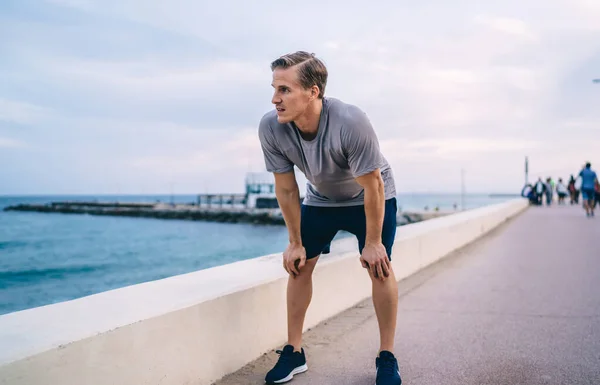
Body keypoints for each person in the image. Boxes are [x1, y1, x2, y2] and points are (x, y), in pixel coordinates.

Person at [258, 51, 402, 385]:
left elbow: (374, 185)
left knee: (380, 268)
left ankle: (387, 357)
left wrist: (373, 242)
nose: (274, 99)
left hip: (369, 194)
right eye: (274, 88)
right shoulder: (272, 126)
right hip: (321, 199)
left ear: (313, 92)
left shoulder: (350, 121)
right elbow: (287, 189)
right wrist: (295, 242)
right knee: (299, 264)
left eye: (284, 90)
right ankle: (294, 352)